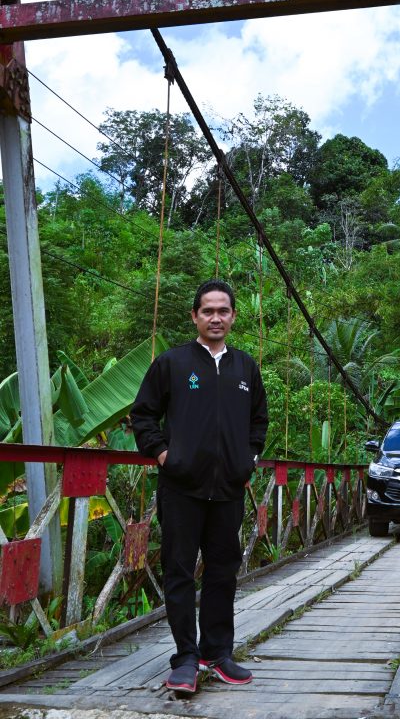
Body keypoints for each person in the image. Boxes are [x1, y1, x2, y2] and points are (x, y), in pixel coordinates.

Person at [131, 279, 268, 697]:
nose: (215, 318)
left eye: (222, 311)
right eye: (207, 311)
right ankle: (185, 659)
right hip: (181, 489)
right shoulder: (172, 363)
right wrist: (163, 455)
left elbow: (258, 422)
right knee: (179, 573)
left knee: (223, 573)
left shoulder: (246, 368)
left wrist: (249, 459)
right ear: (194, 316)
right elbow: (143, 415)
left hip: (227, 489)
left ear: (233, 317)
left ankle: (217, 653)